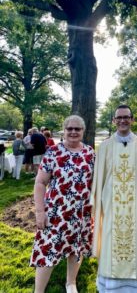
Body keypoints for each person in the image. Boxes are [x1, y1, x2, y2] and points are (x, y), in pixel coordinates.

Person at [91, 105, 137, 293]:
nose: (122, 120)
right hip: (112, 206)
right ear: (113, 121)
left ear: (132, 119)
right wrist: (98, 202)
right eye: (119, 117)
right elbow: (99, 178)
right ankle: (111, 286)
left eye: (126, 117)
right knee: (111, 239)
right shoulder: (104, 147)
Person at [30, 115, 95, 293]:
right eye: (69, 129)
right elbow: (40, 183)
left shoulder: (89, 153)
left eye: (77, 129)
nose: (73, 132)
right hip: (56, 213)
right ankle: (39, 290)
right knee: (47, 250)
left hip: (81, 212)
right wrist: (40, 211)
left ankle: (71, 283)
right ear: (64, 131)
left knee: (77, 248)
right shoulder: (53, 152)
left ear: (83, 131)